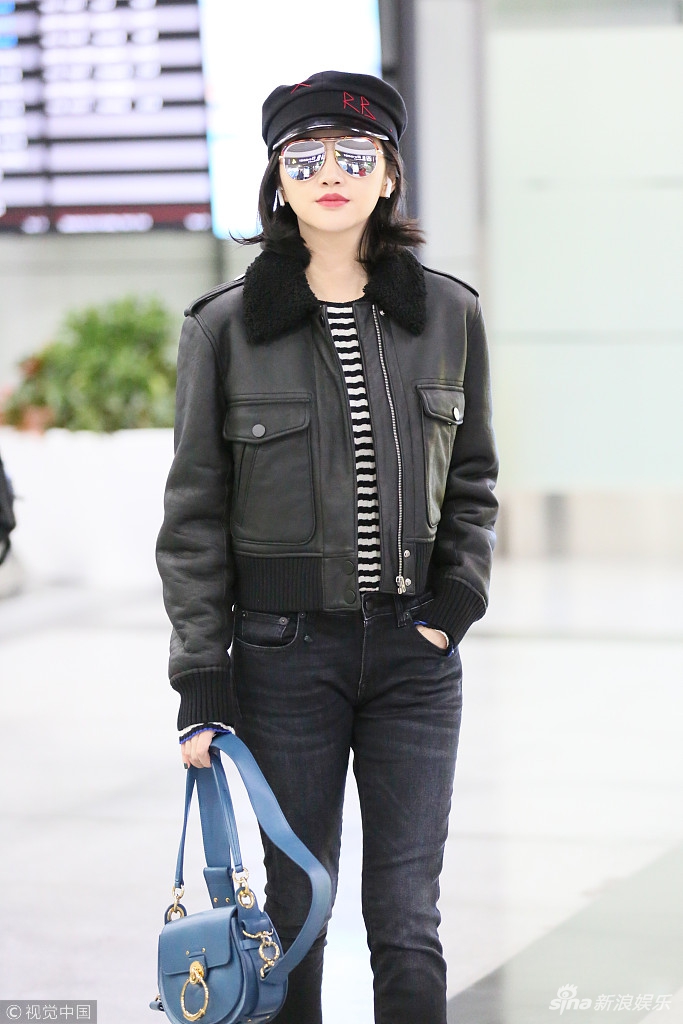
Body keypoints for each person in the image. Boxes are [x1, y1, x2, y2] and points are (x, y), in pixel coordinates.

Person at [156, 70, 498, 1024]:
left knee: (407, 915)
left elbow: (473, 478)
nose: (331, 176)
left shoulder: (449, 314)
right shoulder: (223, 327)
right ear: (278, 180)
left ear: (389, 176)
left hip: (415, 659)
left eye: (355, 156)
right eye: (304, 160)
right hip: (281, 659)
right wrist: (200, 677)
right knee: (295, 910)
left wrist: (455, 604)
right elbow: (191, 515)